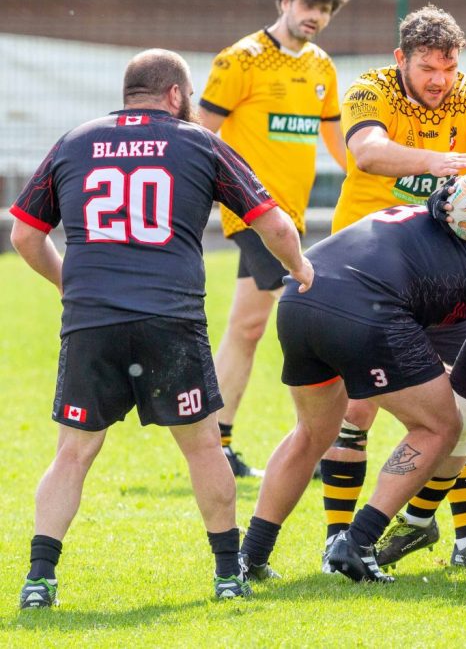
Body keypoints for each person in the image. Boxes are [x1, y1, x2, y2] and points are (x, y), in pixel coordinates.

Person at [10, 49, 313, 608]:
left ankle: (38, 579)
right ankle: (227, 574)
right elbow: (273, 222)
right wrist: (299, 269)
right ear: (176, 95)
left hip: (91, 320)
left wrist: (66, 284)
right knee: (203, 448)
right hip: (169, 320)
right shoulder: (199, 141)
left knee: (72, 453)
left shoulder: (76, 140)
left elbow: (25, 234)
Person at [237, 204, 466, 584]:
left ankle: (251, 555)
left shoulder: (429, 216)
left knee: (311, 434)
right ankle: (358, 540)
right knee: (440, 426)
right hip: (365, 311)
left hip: (300, 296)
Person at [321, 4, 466, 566]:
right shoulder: (371, 90)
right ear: (401, 58)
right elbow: (367, 153)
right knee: (355, 411)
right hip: (370, 278)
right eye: (428, 68)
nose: (440, 81)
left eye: (448, 68)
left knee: (463, 406)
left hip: (446, 278)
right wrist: (444, 163)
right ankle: (337, 540)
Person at [198, 0, 350, 477]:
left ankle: (215, 442)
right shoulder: (239, 59)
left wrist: (379, 175)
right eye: (310, 4)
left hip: (294, 218)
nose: (317, 17)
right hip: (253, 212)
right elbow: (202, 134)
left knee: (247, 327)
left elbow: (339, 145)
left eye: (326, 9)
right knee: (313, 320)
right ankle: (325, 447)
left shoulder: (322, 68)